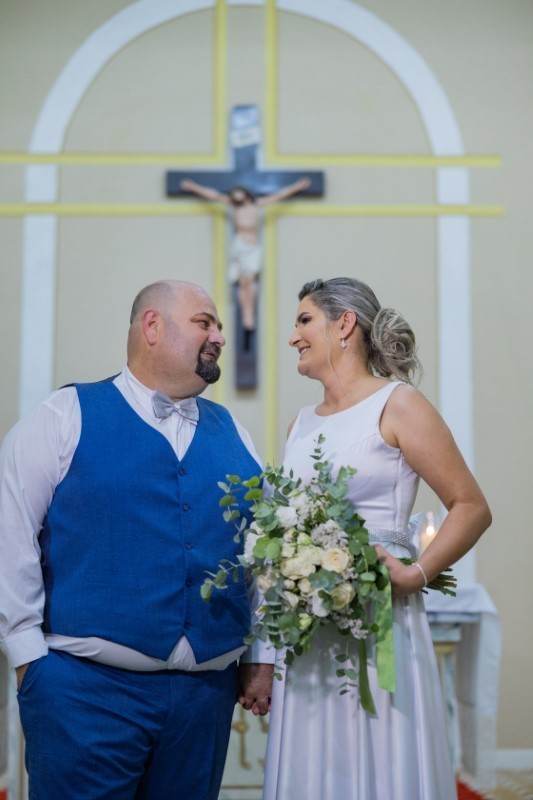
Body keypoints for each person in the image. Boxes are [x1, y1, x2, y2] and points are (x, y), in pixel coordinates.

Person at [0, 280, 274, 800]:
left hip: (204, 699)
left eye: (219, 325)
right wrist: (29, 662)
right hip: (83, 693)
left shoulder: (234, 432)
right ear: (152, 326)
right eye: (204, 322)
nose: (219, 336)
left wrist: (261, 652)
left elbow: (260, 552)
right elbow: (10, 534)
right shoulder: (64, 415)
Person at [262, 277, 492, 800]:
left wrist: (416, 574)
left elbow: (471, 506)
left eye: (304, 321)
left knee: (380, 756)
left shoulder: (398, 403)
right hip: (308, 632)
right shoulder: (300, 426)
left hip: (379, 617)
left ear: (344, 324)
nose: (293, 336)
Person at [181, 177, 311, 333]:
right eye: (234, 195)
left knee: (250, 279)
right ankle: (247, 314)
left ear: (245, 193)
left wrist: (297, 186)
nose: (236, 197)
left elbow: (278, 196)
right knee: (243, 281)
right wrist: (194, 187)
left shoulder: (257, 205)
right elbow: (214, 196)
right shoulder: (233, 206)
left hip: (253, 248)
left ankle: (249, 311)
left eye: (238, 193)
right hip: (240, 246)